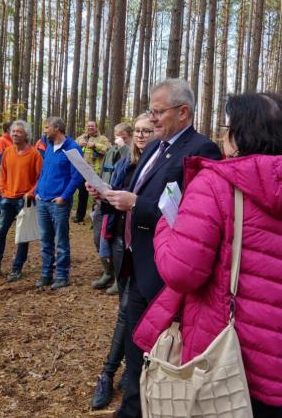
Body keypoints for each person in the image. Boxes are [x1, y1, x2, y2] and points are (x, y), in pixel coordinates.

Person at [134, 93, 282, 417]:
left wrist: (166, 227)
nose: (222, 136)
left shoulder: (214, 185)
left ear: (242, 136)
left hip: (223, 353)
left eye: (227, 127)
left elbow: (181, 272)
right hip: (279, 357)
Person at [87, 78, 222, 418]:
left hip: (166, 269)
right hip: (136, 260)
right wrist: (107, 196)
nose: (152, 118)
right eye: (151, 110)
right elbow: (134, 192)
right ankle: (131, 408)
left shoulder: (202, 151)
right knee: (135, 344)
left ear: (184, 112)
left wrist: (136, 204)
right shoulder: (152, 148)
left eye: (158, 111)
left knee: (162, 351)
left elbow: (194, 216)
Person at [89, 115, 154, 409]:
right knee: (126, 309)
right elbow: (113, 199)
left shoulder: (157, 165)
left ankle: (109, 372)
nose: (141, 135)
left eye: (146, 131)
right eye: (138, 131)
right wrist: (101, 194)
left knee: (129, 309)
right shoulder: (125, 160)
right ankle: (122, 368)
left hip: (145, 244)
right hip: (119, 240)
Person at [0, 120, 43, 283]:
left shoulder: (35, 154)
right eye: (13, 131)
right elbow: (3, 174)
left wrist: (30, 193)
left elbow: (41, 178)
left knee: (22, 236)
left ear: (26, 135)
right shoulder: (7, 151)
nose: (14, 134)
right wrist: (4, 191)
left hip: (25, 200)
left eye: (18, 132)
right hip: (8, 199)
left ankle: (17, 268)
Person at [33, 117, 84, 290]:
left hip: (59, 203)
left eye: (47, 127)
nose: (45, 131)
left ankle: (62, 275)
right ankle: (46, 274)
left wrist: (64, 196)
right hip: (43, 201)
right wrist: (37, 191)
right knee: (45, 240)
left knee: (60, 240)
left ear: (57, 128)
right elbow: (44, 171)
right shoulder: (48, 146)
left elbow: (77, 176)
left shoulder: (73, 148)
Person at [91, 122, 133, 292]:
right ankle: (107, 271)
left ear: (128, 136)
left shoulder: (131, 152)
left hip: (119, 202)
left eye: (121, 135)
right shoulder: (110, 151)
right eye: (115, 134)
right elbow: (103, 173)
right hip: (103, 201)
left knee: (116, 241)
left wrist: (125, 147)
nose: (117, 138)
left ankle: (119, 277)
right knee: (98, 236)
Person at [73, 121, 110, 223]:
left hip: (96, 172)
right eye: (88, 126)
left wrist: (95, 145)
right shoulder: (81, 138)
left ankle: (96, 217)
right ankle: (79, 216)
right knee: (82, 195)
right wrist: (78, 145)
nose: (90, 127)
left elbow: (108, 150)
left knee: (97, 196)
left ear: (96, 127)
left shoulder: (103, 139)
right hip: (82, 171)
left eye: (92, 126)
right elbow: (71, 148)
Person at [0, 121, 14, 221]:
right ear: (7, 129)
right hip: (2, 171)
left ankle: (7, 214)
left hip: (10, 171)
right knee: (1, 192)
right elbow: (1, 157)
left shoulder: (11, 141)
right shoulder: (2, 140)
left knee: (8, 192)